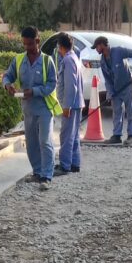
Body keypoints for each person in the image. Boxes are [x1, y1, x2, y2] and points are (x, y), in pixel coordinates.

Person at [3, 26, 61, 191]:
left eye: (30, 44)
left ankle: (46, 176)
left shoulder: (47, 61)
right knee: (32, 143)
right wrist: (7, 85)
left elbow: (52, 84)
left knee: (45, 141)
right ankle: (37, 172)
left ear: (37, 41)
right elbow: (8, 75)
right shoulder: (19, 60)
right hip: (28, 109)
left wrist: (34, 91)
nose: (27, 47)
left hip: (44, 108)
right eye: (24, 44)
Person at [94, 35, 132, 145]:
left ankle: (131, 136)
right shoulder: (102, 62)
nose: (96, 49)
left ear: (102, 45)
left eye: (96, 47)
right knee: (116, 112)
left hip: (127, 85)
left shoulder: (118, 51)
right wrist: (110, 93)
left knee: (130, 111)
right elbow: (107, 80)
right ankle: (117, 135)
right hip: (116, 90)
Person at [54, 32, 84, 176]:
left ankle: (65, 165)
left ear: (60, 46)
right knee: (74, 135)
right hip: (77, 103)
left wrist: (67, 106)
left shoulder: (67, 60)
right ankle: (74, 163)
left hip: (71, 104)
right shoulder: (74, 57)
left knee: (66, 135)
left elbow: (71, 86)